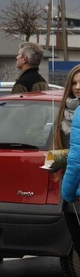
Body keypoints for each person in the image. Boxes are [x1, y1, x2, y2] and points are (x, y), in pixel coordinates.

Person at [55, 65, 80, 257]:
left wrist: (68, 191)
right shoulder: (65, 112)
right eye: (74, 83)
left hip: (74, 190)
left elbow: (76, 159)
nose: (77, 87)